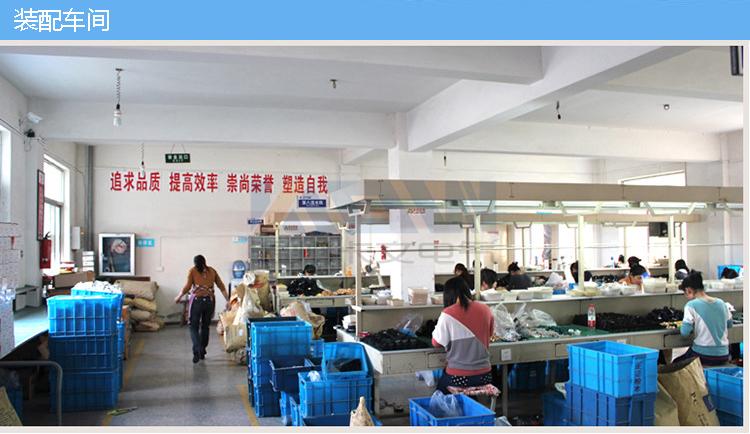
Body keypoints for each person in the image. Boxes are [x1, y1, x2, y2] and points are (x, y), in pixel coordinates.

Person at [432, 277, 494, 393]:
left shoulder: (447, 313)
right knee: (468, 389)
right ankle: (472, 403)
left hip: (458, 377)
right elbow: (490, 335)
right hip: (485, 375)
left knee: (438, 393)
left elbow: (436, 343)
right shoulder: (486, 309)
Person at [174, 255, 229, 363]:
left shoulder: (193, 271)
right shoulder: (212, 271)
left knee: (193, 327)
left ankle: (197, 350)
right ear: (205, 262)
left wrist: (178, 297)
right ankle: (202, 350)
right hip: (209, 301)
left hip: (197, 302)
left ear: (195, 263)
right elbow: (221, 286)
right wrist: (228, 300)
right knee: (205, 326)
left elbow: (187, 287)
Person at [672, 271, 732, 366]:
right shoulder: (722, 303)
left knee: (676, 363)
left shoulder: (691, 305)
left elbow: (685, 333)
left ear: (688, 290)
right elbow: (729, 325)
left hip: (703, 355)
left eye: (685, 293)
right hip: (724, 354)